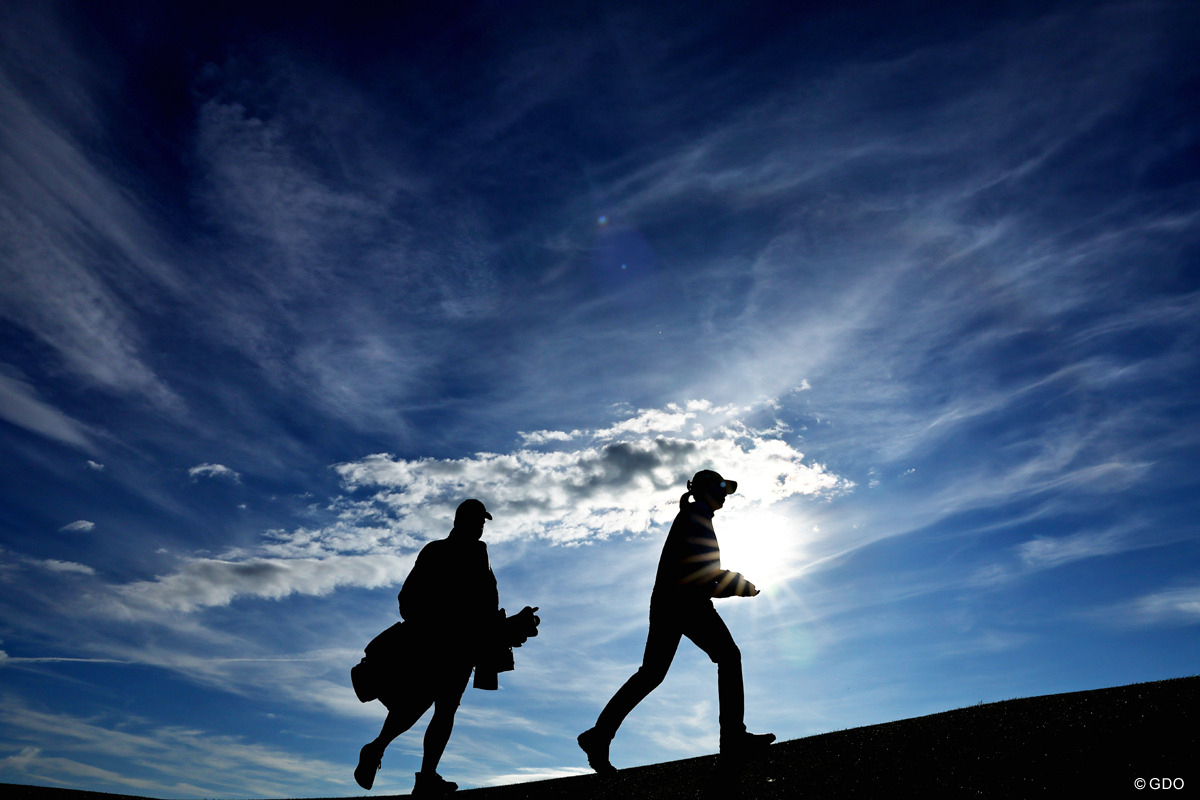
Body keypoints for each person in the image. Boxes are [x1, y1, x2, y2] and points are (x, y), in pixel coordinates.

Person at [577, 470, 774, 773]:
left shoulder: (696, 516)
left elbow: (704, 574)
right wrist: (738, 586)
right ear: (703, 490)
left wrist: (732, 585)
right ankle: (732, 736)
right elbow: (702, 574)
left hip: (672, 602)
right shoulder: (695, 517)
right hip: (685, 603)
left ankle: (599, 735)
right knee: (728, 656)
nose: (724, 494)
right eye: (719, 488)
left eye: (726, 489)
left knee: (652, 673)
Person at [354, 499, 539, 796]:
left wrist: (508, 625)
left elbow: (485, 604)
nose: (481, 527)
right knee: (425, 704)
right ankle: (395, 759)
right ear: (460, 521)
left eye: (483, 522)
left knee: (438, 707)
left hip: (463, 646)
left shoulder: (476, 552)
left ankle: (406, 765)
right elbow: (408, 600)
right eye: (477, 521)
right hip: (437, 644)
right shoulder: (439, 551)